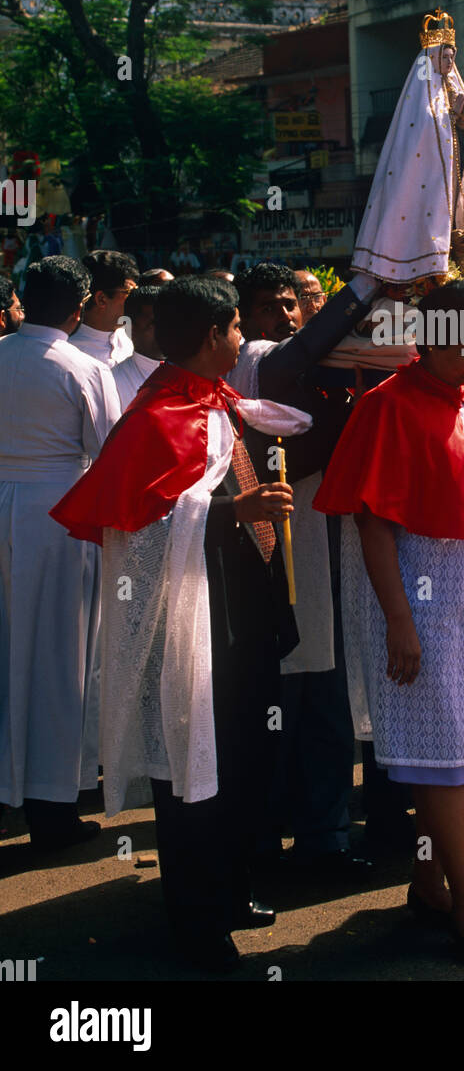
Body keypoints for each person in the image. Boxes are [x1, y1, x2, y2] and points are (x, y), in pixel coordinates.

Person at [51, 277, 310, 973]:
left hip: (240, 616)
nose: (240, 340)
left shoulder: (214, 400)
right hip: (193, 631)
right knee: (192, 774)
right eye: (233, 328)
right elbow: (136, 532)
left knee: (240, 765)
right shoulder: (158, 416)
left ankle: (228, 890)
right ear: (209, 337)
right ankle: (196, 920)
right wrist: (236, 514)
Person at [314, 280, 464, 969]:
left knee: (455, 754)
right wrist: (399, 622)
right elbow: (372, 523)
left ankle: (428, 881)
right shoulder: (386, 405)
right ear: (430, 340)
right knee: (442, 759)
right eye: (463, 345)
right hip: (422, 604)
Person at [229, 260, 380, 879]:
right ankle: (275, 838)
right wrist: (370, 285)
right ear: (243, 319)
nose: (285, 316)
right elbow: (293, 363)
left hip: (325, 543)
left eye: (292, 304)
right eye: (269, 306)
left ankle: (323, 835)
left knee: (324, 694)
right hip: (275, 550)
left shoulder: (314, 362)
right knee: (286, 700)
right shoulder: (257, 360)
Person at [0, 257, 121, 849]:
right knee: (58, 659)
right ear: (78, 310)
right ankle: (50, 807)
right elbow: (109, 452)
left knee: (7, 651)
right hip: (60, 515)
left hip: (4, 505)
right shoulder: (82, 366)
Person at [350, 9, 464, 284]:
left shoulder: (457, 92)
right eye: (444, 57)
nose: (449, 63)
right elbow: (420, 138)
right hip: (426, 185)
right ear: (430, 59)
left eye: (452, 57)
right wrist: (450, 116)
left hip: (454, 182)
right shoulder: (417, 99)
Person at [69, 250, 139, 367]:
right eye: (130, 292)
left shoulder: (132, 339)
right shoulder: (71, 353)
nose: (135, 300)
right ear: (101, 299)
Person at [112, 285, 163, 411]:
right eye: (154, 324)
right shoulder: (112, 382)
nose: (165, 330)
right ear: (130, 327)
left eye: (168, 322)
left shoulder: (189, 375)